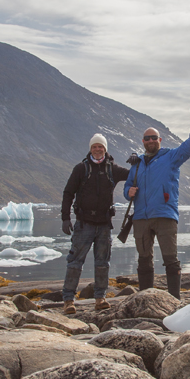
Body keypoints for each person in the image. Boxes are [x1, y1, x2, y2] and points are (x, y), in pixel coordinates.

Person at [124, 105, 190, 299]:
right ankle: (145, 299)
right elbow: (127, 188)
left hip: (164, 215)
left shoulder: (171, 157)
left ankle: (174, 300)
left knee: (170, 259)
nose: (150, 141)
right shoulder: (137, 164)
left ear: (160, 140)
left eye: (154, 138)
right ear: (143, 142)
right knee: (144, 260)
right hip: (141, 218)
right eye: (147, 138)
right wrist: (129, 192)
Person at [60, 133, 130, 314]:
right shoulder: (80, 169)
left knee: (103, 263)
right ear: (90, 149)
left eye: (101, 147)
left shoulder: (112, 169)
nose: (98, 149)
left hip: (104, 225)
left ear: (105, 149)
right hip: (84, 224)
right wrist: (65, 218)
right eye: (94, 147)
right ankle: (68, 300)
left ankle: (100, 298)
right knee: (75, 262)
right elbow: (68, 193)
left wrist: (138, 163)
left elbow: (133, 175)